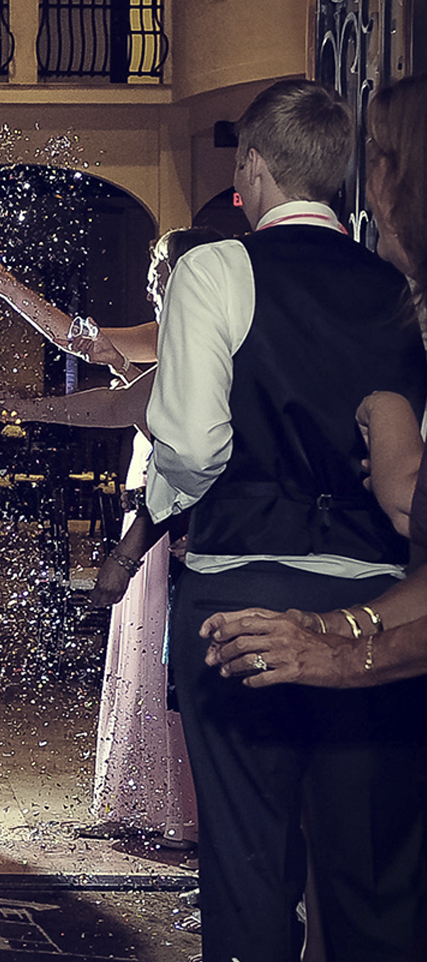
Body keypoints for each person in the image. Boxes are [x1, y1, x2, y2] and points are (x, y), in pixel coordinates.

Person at [144, 78, 427, 962]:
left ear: (252, 166)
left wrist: (160, 508)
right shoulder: (399, 288)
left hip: (242, 596)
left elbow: (190, 446)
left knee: (249, 867)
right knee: (372, 873)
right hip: (384, 607)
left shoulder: (216, 268)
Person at [0, 229, 222, 855]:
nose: (149, 276)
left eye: (161, 266)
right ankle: (148, 800)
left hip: (176, 517)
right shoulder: (166, 331)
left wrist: (24, 402)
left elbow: (112, 399)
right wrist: (9, 288)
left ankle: (178, 806)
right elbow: (83, 347)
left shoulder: (185, 335)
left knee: (165, 665)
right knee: (145, 659)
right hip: (152, 509)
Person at [203, 74, 427, 689]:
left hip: (239, 555)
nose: (368, 180)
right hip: (374, 573)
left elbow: (409, 504)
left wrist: (341, 654)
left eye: (381, 154)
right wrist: (337, 625)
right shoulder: (395, 297)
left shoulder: (218, 270)